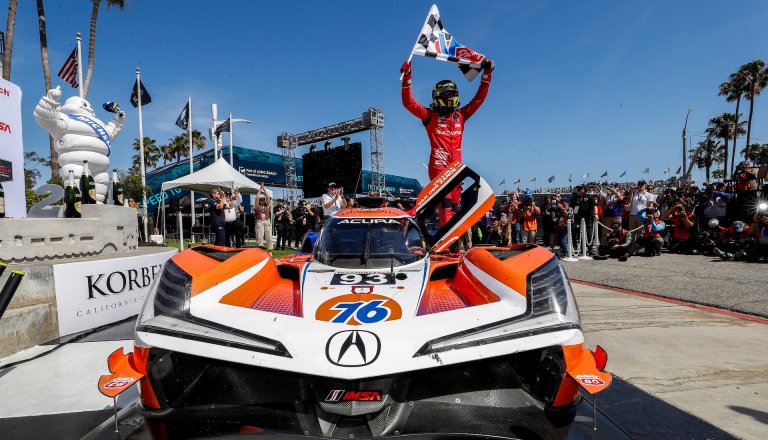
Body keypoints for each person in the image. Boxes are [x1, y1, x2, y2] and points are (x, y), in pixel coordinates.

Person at [400, 57, 494, 226]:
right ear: (437, 97)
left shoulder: (460, 116)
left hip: (457, 167)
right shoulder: (430, 115)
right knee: (446, 203)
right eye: (446, 95)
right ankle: (448, 247)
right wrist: (407, 77)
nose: (450, 97)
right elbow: (409, 103)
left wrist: (486, 75)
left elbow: (478, 100)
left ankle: (450, 243)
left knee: (456, 206)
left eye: (452, 94)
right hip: (439, 165)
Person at [571, 185, 598, 254]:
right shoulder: (574, 198)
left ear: (584, 189)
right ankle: (582, 249)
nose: (579, 190)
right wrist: (571, 215)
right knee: (579, 234)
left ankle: (590, 248)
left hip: (588, 218)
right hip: (578, 219)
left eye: (580, 189)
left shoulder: (589, 197)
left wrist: (596, 214)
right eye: (578, 189)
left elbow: (595, 206)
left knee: (589, 234)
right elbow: (571, 207)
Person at [253, 184, 273, 251]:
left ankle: (270, 250)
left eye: (263, 199)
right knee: (259, 236)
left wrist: (264, 189)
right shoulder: (256, 205)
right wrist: (259, 190)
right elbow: (256, 198)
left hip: (267, 221)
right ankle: (260, 249)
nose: (262, 200)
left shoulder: (266, 205)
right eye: (261, 199)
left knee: (269, 236)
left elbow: (268, 197)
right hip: (259, 221)